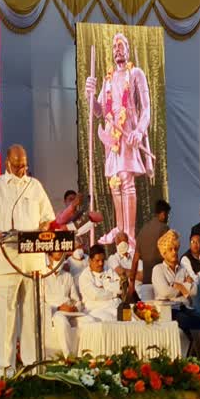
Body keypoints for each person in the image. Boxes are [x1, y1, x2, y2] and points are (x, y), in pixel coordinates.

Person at [0, 144, 55, 375]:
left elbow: (47, 218)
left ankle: (31, 367)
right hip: (6, 261)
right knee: (6, 316)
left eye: (24, 165)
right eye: (17, 165)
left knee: (32, 315)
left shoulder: (35, 186)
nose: (22, 170)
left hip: (33, 263)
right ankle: (6, 368)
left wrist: (42, 229)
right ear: (8, 163)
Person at [83, 32, 152, 242]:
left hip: (129, 133)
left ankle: (130, 235)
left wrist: (139, 131)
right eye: (114, 47)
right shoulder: (108, 79)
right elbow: (98, 112)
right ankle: (119, 229)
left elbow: (147, 108)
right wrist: (90, 96)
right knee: (114, 183)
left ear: (128, 50)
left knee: (126, 180)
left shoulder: (136, 74)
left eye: (121, 46)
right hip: (112, 138)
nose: (117, 50)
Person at [151, 230, 200, 338]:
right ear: (164, 253)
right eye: (170, 249)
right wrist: (186, 289)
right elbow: (165, 292)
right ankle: (199, 352)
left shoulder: (183, 269)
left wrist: (179, 286)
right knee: (188, 321)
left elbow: (195, 291)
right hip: (168, 310)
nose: (174, 252)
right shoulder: (158, 269)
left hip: (185, 307)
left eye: (176, 249)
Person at [44, 251, 84, 357]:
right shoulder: (42, 276)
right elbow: (40, 303)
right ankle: (69, 358)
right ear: (49, 257)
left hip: (71, 312)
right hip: (54, 312)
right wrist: (58, 308)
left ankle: (86, 357)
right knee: (61, 321)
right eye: (57, 259)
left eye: (62, 259)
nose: (60, 262)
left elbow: (76, 299)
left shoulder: (67, 276)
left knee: (89, 321)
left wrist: (75, 308)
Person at [129, 199, 170, 296]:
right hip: (161, 282)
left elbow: (135, 260)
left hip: (146, 283)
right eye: (168, 214)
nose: (167, 217)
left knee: (148, 311)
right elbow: (168, 254)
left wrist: (131, 284)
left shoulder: (142, 231)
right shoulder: (164, 228)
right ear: (163, 214)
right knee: (164, 311)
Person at [79, 245, 122, 321]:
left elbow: (120, 287)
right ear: (90, 260)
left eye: (103, 260)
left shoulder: (108, 269)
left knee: (131, 318)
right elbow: (96, 295)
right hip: (96, 309)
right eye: (97, 260)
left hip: (115, 306)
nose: (101, 263)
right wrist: (114, 293)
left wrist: (104, 287)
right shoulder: (85, 276)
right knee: (109, 319)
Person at [106, 233, 142, 298]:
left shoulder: (134, 257)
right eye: (119, 242)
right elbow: (121, 272)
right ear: (116, 244)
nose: (122, 243)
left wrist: (127, 273)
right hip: (124, 294)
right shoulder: (113, 258)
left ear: (127, 242)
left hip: (139, 292)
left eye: (124, 241)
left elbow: (142, 276)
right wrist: (136, 272)